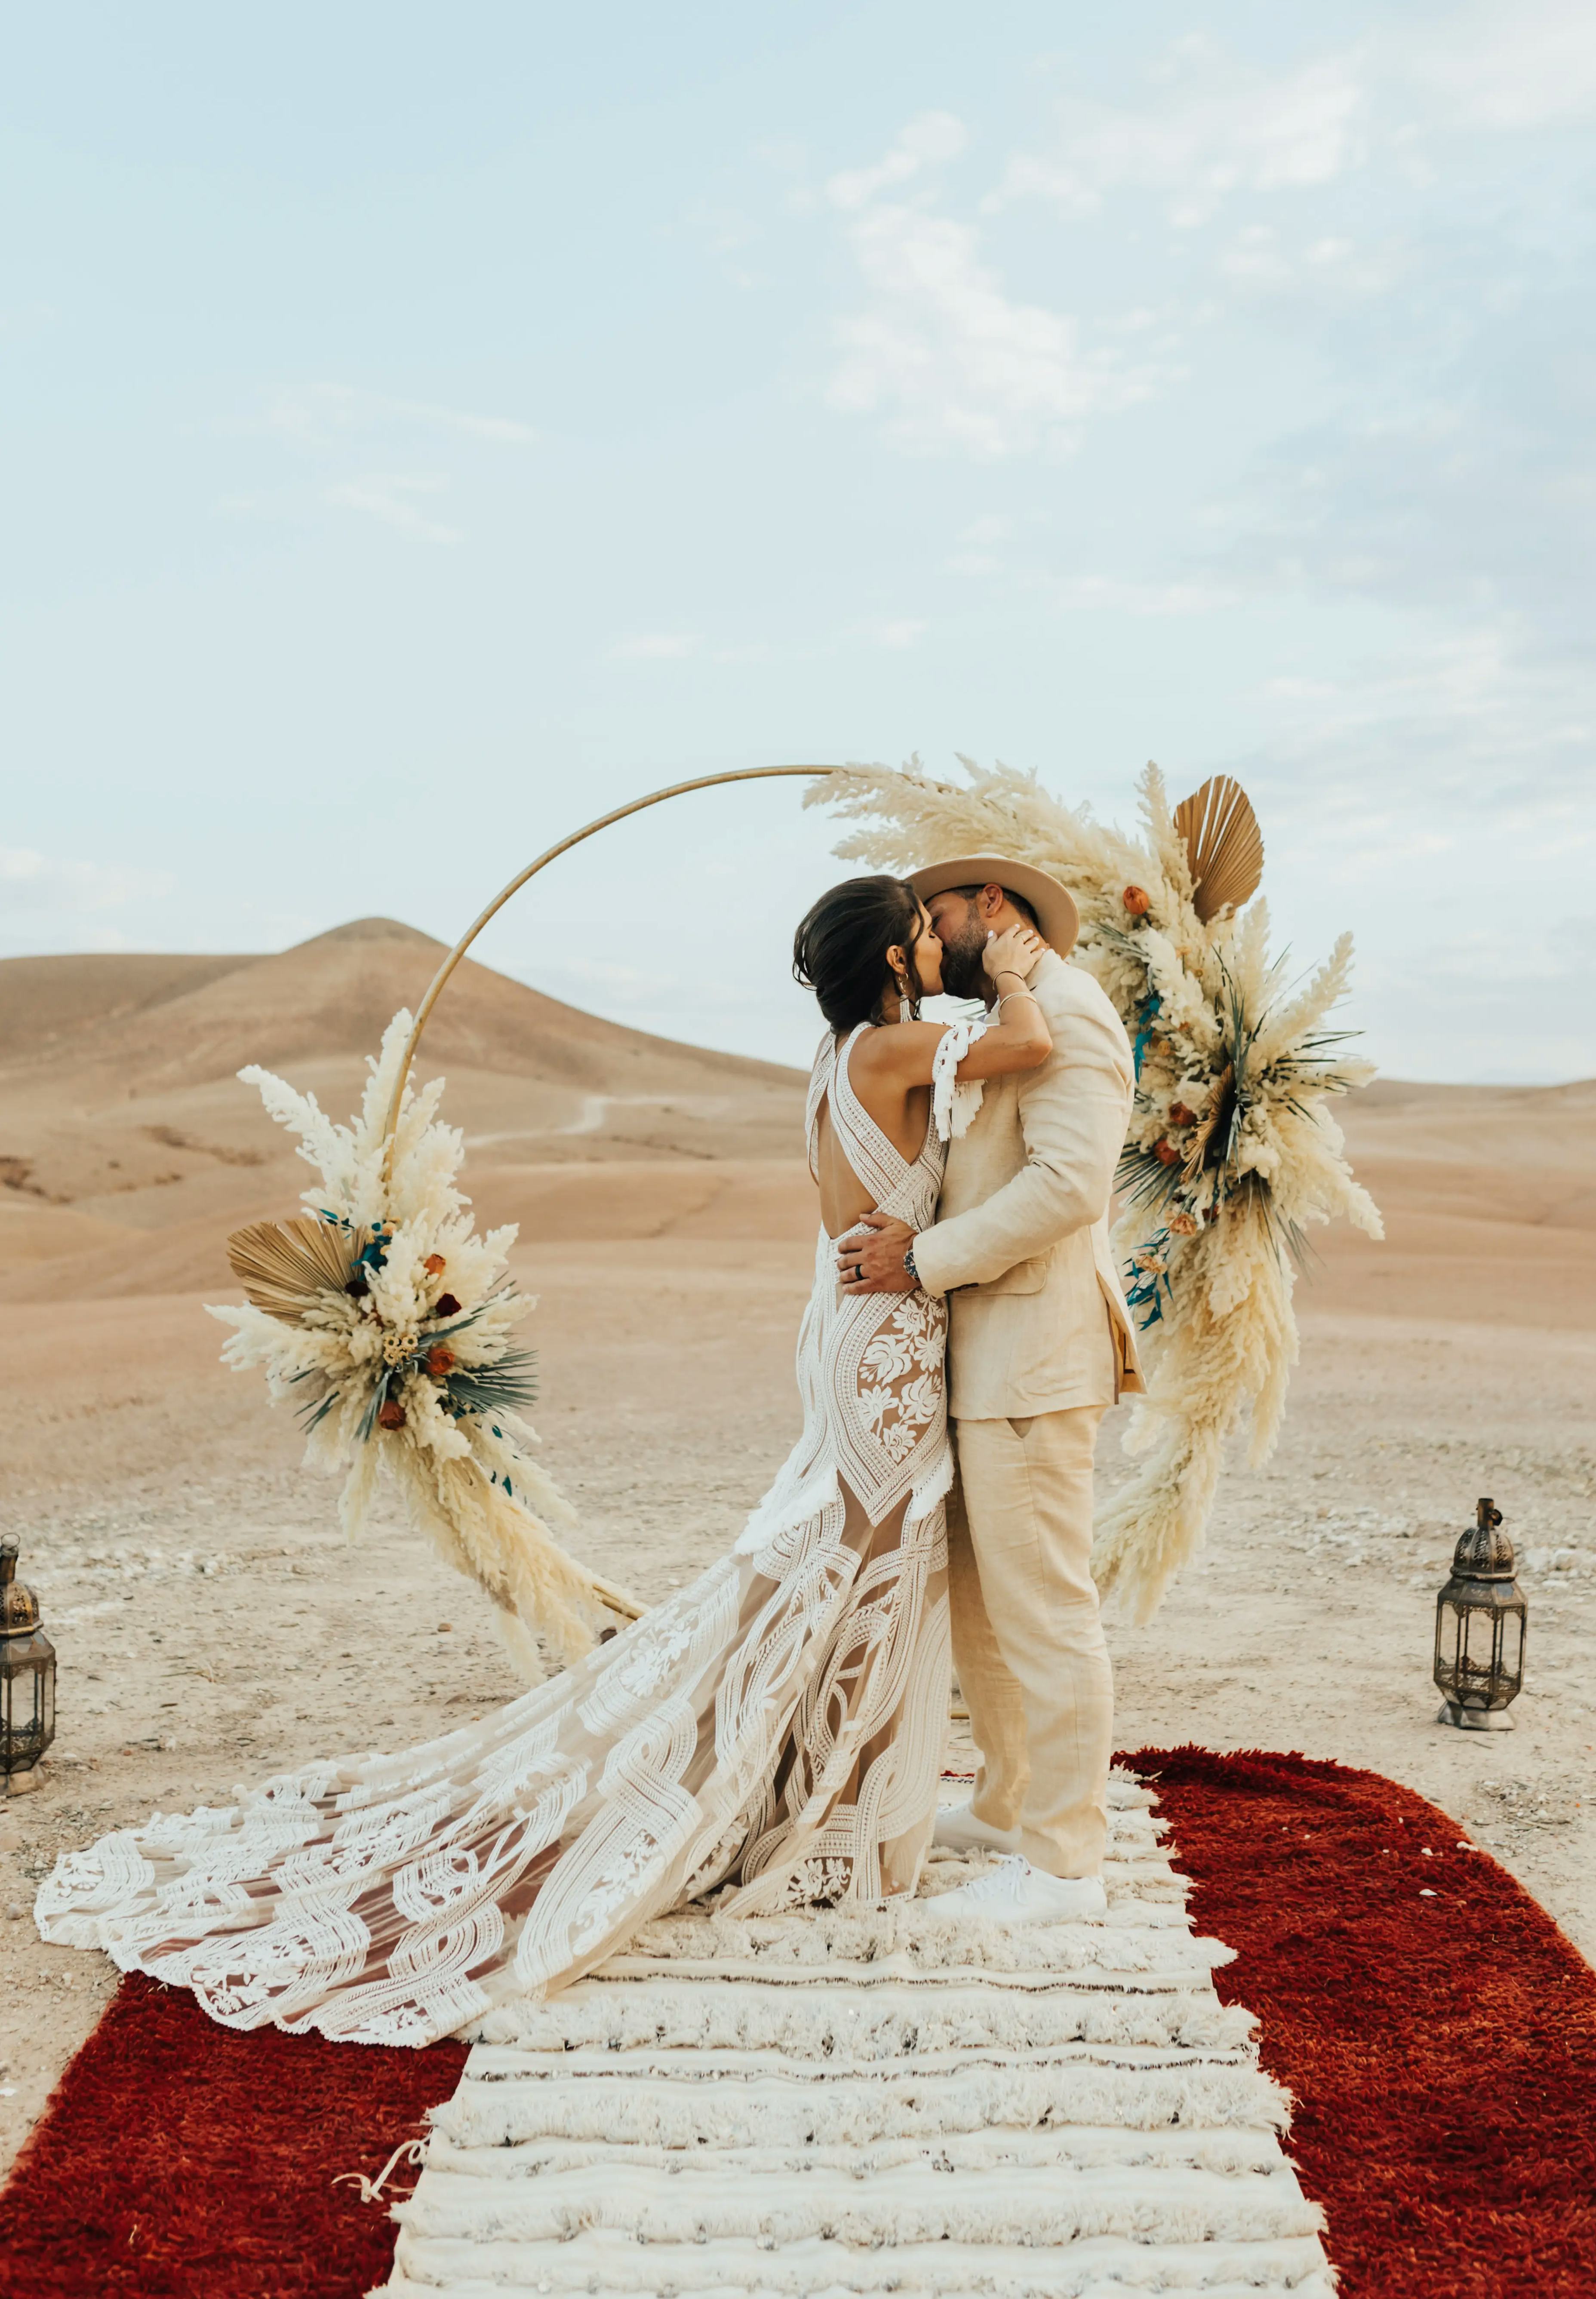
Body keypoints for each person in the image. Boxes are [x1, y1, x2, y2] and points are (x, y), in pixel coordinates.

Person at [35, 875, 1052, 2047]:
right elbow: (1023, 1042)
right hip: (883, 1349)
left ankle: (828, 1798)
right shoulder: (889, 1049)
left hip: (855, 1331)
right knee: (864, 1563)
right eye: (925, 931)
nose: (941, 942)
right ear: (889, 959)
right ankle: (826, 1816)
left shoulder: (839, 1059)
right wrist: (1016, 965)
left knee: (844, 1560)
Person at [836, 858, 1142, 1926]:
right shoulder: (1012, 1016)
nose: (930, 933)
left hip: (1033, 1358)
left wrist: (918, 1260)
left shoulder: (1071, 1015)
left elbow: (1069, 1185)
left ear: (993, 910)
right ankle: (1012, 1806)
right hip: (981, 1359)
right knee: (986, 1612)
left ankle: (1064, 1868)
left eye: (941, 915)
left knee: (1047, 1610)